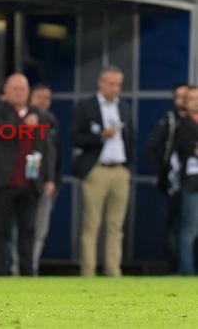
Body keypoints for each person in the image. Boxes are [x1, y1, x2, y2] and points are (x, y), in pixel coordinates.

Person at [0, 74, 56, 276]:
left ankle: (27, 272)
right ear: (5, 91)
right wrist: (24, 127)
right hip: (2, 182)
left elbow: (47, 148)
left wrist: (49, 178)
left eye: (23, 88)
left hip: (30, 182)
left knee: (28, 231)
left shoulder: (40, 115)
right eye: (14, 88)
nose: (19, 92)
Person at [72, 65, 133, 277]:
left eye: (118, 84)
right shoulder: (86, 106)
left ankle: (113, 271)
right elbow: (75, 138)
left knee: (116, 225)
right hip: (96, 169)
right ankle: (88, 272)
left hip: (120, 170)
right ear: (101, 82)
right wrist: (101, 136)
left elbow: (130, 138)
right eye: (111, 84)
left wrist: (128, 168)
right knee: (92, 223)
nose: (115, 88)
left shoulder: (124, 106)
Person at [145, 83, 188, 273]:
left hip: (193, 180)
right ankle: (178, 266)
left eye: (188, 97)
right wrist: (163, 169)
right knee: (176, 225)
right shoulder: (170, 120)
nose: (184, 101)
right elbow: (150, 148)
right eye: (180, 97)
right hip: (176, 181)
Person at [29, 83, 61, 276]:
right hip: (25, 184)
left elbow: (54, 155)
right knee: (24, 229)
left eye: (47, 98)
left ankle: (32, 266)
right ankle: (19, 267)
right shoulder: (24, 118)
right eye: (39, 97)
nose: (43, 101)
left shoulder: (50, 120)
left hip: (46, 184)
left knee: (41, 229)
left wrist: (53, 180)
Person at [174, 86, 198, 275]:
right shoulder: (183, 126)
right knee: (189, 230)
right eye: (192, 99)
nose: (196, 102)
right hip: (192, 184)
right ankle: (187, 271)